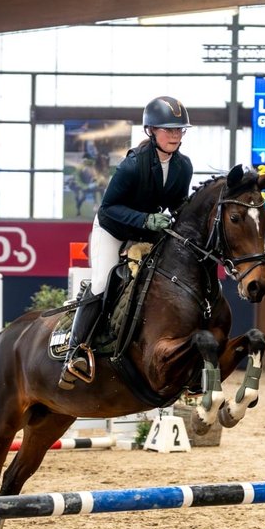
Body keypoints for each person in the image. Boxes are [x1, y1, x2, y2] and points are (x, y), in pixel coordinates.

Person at [58, 95, 194, 389]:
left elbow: (178, 204)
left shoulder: (183, 166)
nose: (174, 135)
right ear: (151, 131)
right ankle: (74, 352)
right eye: (168, 129)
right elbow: (108, 209)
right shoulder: (132, 165)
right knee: (103, 283)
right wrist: (146, 220)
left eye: (179, 130)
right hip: (113, 229)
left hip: (148, 232)